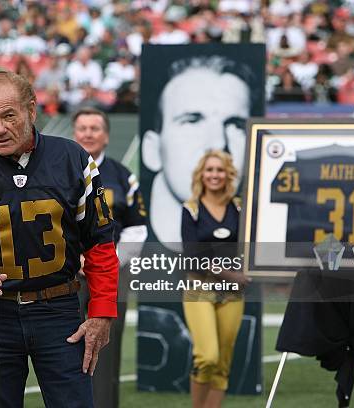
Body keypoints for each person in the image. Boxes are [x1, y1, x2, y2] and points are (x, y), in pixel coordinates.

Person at [0, 71, 119, 408]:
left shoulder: (73, 159)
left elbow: (100, 244)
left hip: (58, 309)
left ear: (31, 110)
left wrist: (102, 311)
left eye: (8, 115)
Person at [72, 107, 147, 408]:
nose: (88, 133)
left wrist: (108, 261)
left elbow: (137, 229)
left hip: (111, 275)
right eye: (83, 128)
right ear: (75, 134)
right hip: (67, 275)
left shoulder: (122, 176)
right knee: (66, 347)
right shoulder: (60, 171)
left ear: (106, 136)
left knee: (105, 350)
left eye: (95, 128)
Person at [142, 55, 257, 245]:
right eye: (192, 121)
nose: (218, 143)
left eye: (235, 125)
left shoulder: (258, 231)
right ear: (152, 149)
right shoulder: (126, 227)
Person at [181, 150, 249, 408]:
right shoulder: (192, 209)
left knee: (222, 366)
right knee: (207, 357)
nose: (214, 175)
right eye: (209, 170)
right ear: (201, 174)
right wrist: (230, 273)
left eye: (220, 170)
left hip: (233, 293)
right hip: (200, 289)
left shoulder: (240, 207)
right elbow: (191, 257)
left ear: (228, 174)